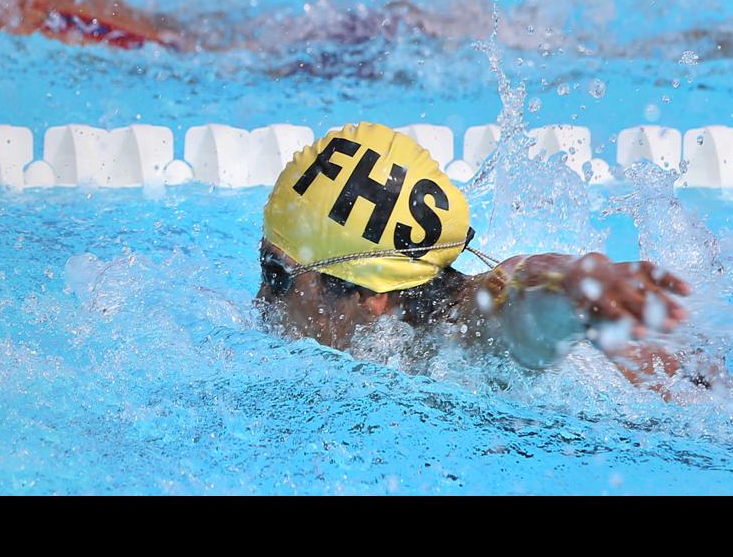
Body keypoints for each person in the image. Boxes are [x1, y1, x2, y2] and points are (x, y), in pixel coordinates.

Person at [255, 122, 705, 391]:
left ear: (369, 298)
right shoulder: (404, 336)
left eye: (277, 277)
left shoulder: (467, 334)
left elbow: (522, 300)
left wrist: (575, 285)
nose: (260, 299)